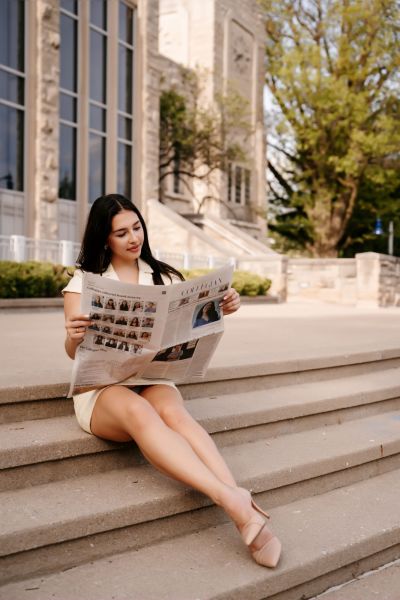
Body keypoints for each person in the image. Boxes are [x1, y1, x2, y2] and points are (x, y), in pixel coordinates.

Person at [63, 193, 281, 569]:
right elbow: (71, 352)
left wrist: (223, 305)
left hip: (152, 376)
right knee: (139, 411)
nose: (134, 238)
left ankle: (238, 500)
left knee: (173, 411)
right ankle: (233, 501)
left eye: (137, 227)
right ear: (104, 239)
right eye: (121, 233)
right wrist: (74, 334)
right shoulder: (84, 283)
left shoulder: (164, 277)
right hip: (102, 389)